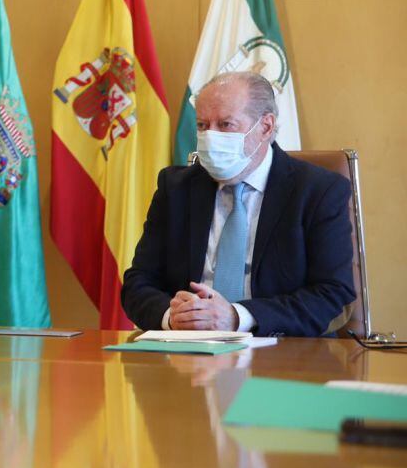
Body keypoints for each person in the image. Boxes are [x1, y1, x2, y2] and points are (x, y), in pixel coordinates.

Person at [121, 72, 355, 337]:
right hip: (187, 353)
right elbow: (138, 283)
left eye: (225, 124)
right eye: (201, 125)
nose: (210, 136)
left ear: (265, 127)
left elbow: (333, 294)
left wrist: (237, 317)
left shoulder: (318, 191)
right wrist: (172, 317)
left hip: (282, 356)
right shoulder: (175, 188)